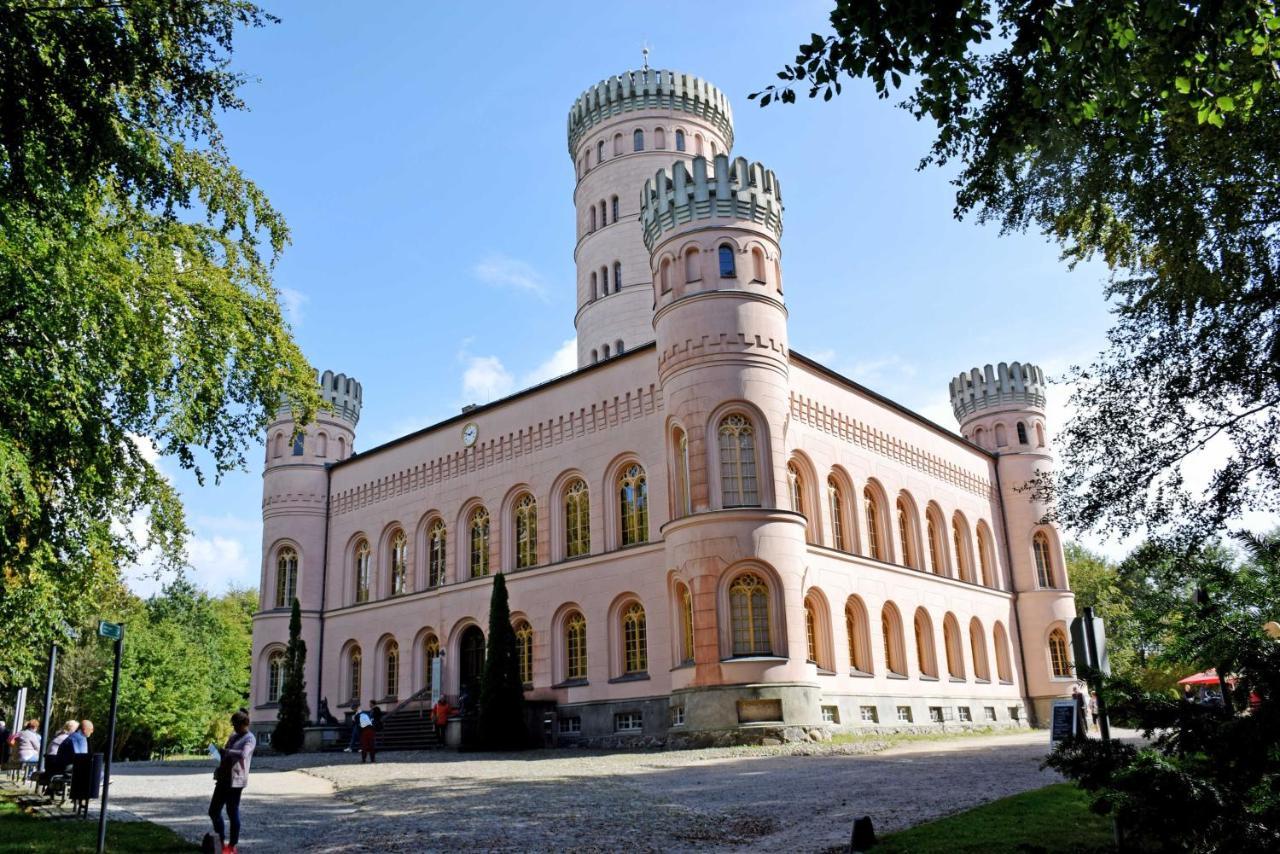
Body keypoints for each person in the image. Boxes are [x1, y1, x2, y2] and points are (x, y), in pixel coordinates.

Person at [209, 710, 256, 854]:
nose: (234, 728)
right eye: (233, 725)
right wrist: (219, 754)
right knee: (214, 811)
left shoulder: (250, 738)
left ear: (245, 724)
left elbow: (243, 754)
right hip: (223, 779)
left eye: (236, 725)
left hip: (236, 781)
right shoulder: (233, 736)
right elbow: (226, 753)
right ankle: (221, 841)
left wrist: (227, 751)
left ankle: (232, 845)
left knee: (232, 812)